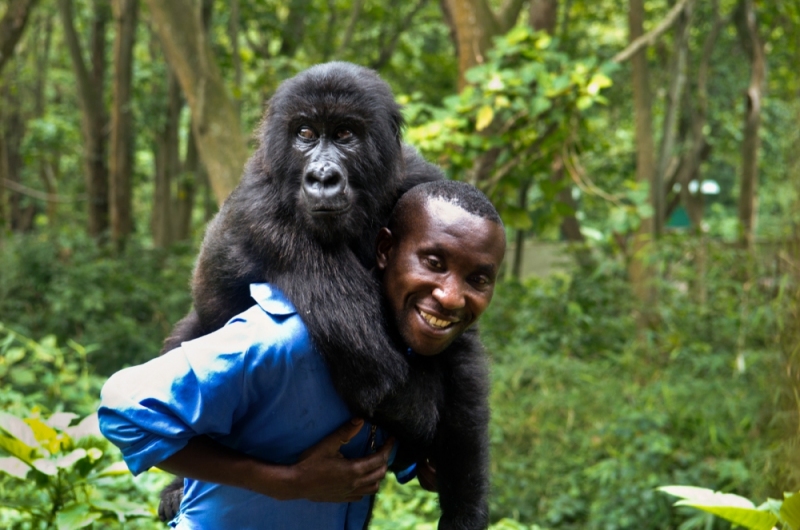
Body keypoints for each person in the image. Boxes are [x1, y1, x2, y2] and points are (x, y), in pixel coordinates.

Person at [98, 181, 506, 529]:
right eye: (433, 262)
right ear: (385, 250)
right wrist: (285, 481)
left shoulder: (409, 356)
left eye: (478, 279)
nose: (451, 296)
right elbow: (124, 408)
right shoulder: (284, 340)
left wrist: (424, 461)